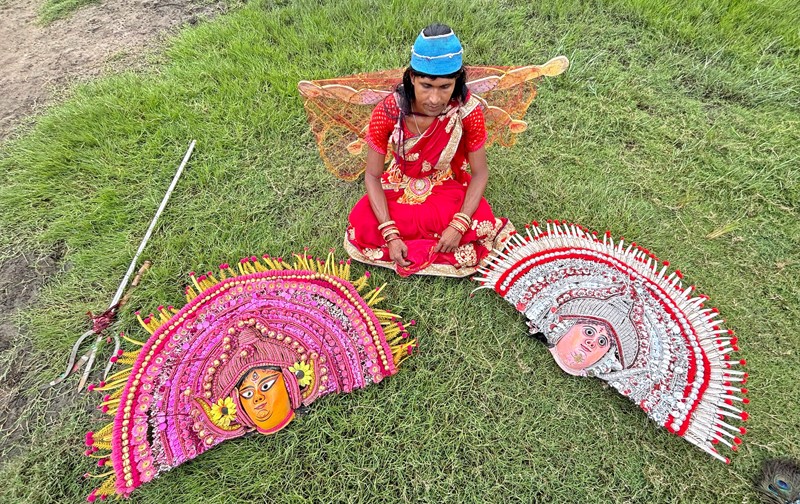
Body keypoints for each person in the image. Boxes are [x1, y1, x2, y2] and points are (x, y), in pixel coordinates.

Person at [344, 23, 513, 277]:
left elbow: (479, 174)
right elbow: (372, 176)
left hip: (444, 182)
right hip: (400, 183)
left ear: (456, 81)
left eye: (445, 87)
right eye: (426, 86)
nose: (434, 99)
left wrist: (459, 224)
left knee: (481, 216)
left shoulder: (468, 112)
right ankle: (412, 240)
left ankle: (440, 233)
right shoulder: (389, 111)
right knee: (363, 219)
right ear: (412, 77)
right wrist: (390, 234)